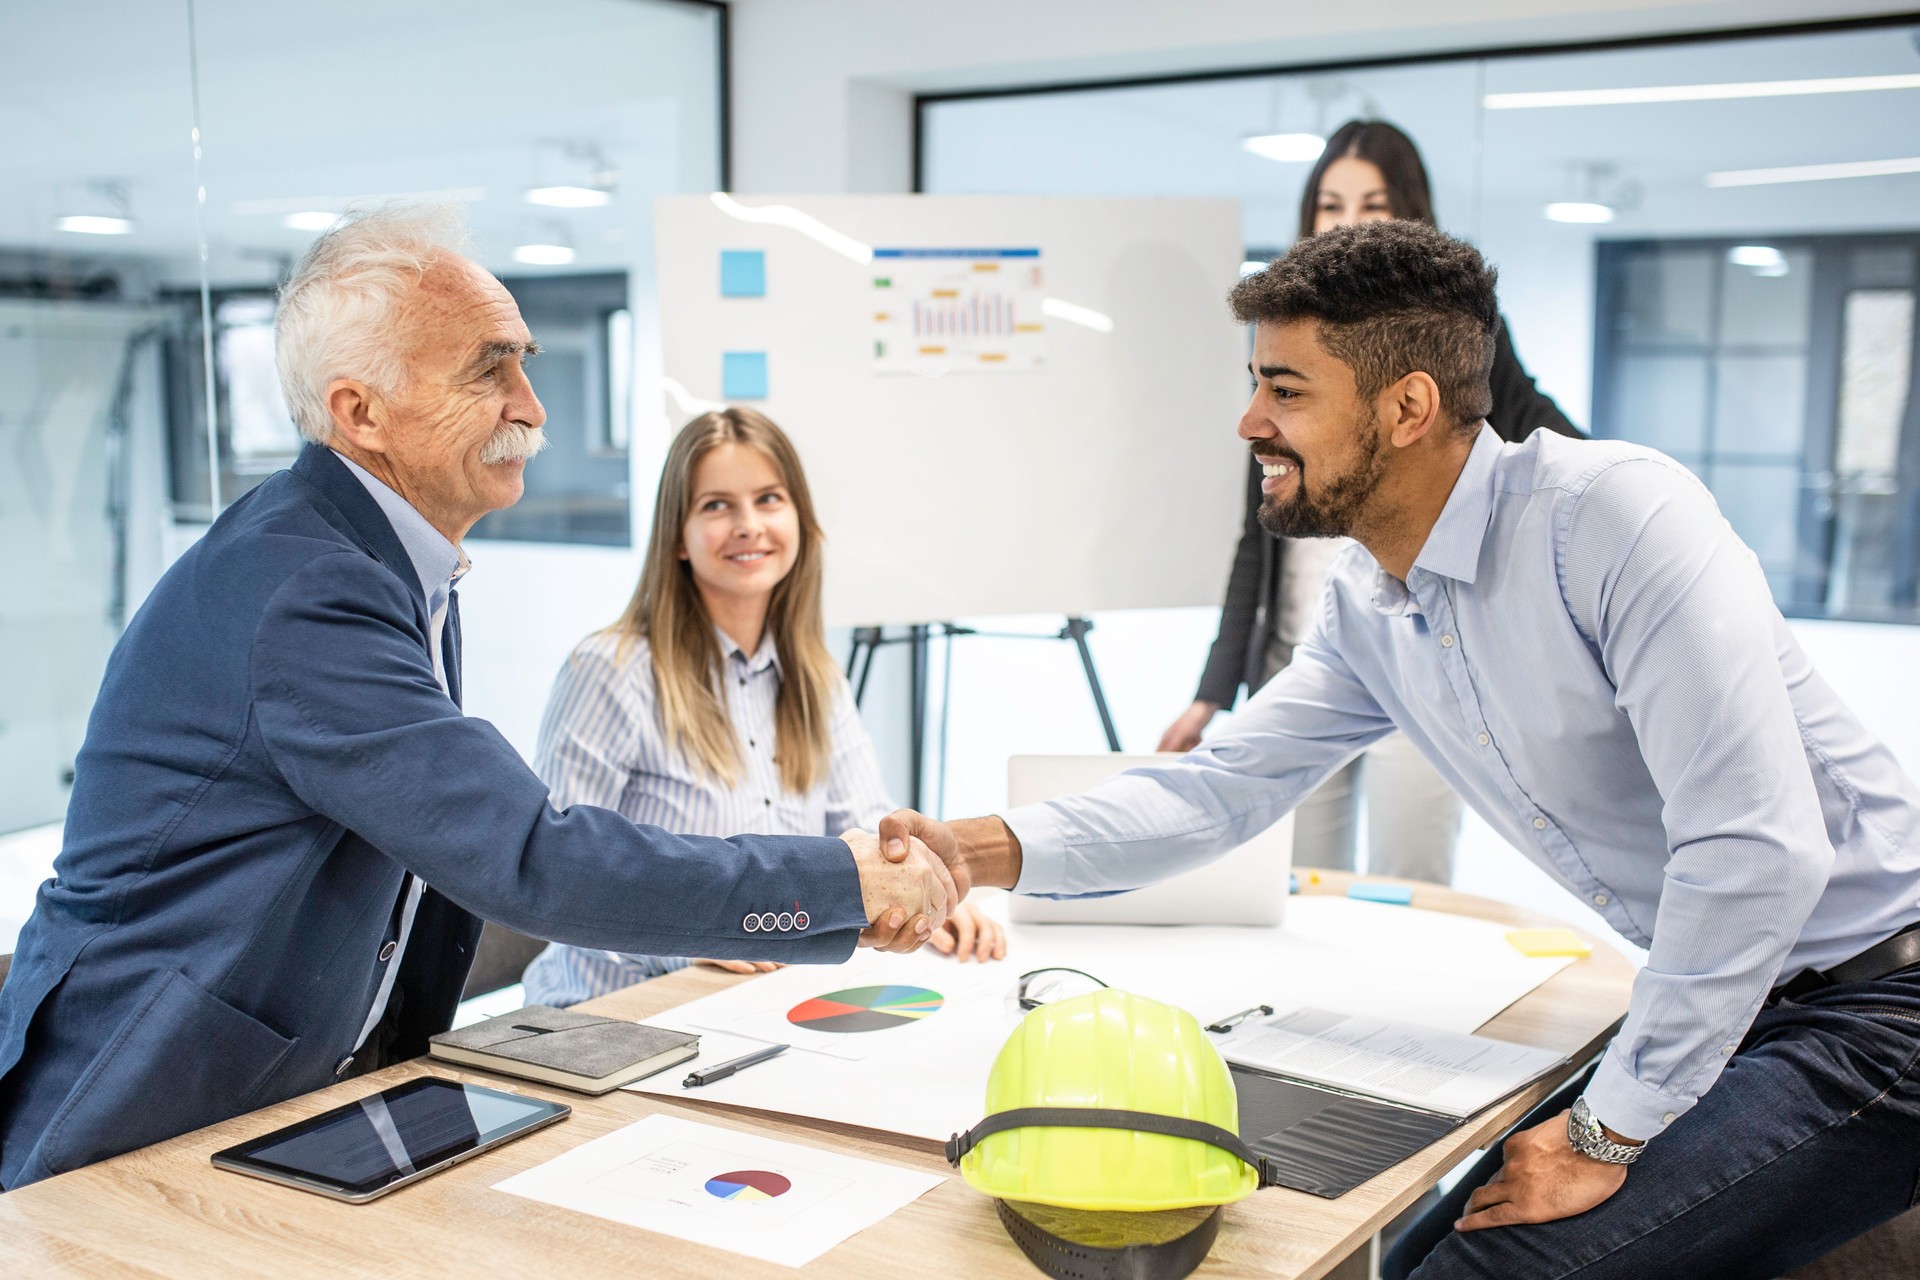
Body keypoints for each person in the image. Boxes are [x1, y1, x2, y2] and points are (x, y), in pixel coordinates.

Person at [885, 220, 1920, 1277]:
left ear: (1407, 407)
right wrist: (970, 850)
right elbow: (1222, 788)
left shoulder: (1612, 519)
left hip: (1884, 1004)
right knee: (1402, 1248)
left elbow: (1754, 852)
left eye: (1285, 389)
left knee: (1471, 1268)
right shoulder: (1374, 605)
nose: (1249, 421)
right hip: (1746, 1000)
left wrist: (1608, 1132)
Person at [0, 206, 951, 1190]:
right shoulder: (307, 589)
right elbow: (528, 855)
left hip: (292, 1098)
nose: (534, 406)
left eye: (524, 363)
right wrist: (835, 889)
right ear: (361, 412)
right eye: (490, 370)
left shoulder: (393, 560)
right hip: (147, 1109)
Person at [1158, 119, 1582, 884]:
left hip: (1420, 659)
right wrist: (1211, 693)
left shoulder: (1454, 337)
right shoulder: (1285, 334)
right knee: (1303, 890)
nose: (1348, 222)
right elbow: (1255, 539)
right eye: (1331, 204)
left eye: (1371, 203)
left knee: (1410, 882)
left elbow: (1554, 446)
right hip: (1301, 661)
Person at [521, 408, 1004, 1007]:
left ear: (800, 519)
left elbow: (874, 839)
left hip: (751, 1006)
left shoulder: (816, 678)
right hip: (608, 1017)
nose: (748, 525)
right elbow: (557, 877)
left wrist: (924, 898)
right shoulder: (611, 669)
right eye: (717, 505)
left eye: (769, 499)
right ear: (677, 535)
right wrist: (687, 931)